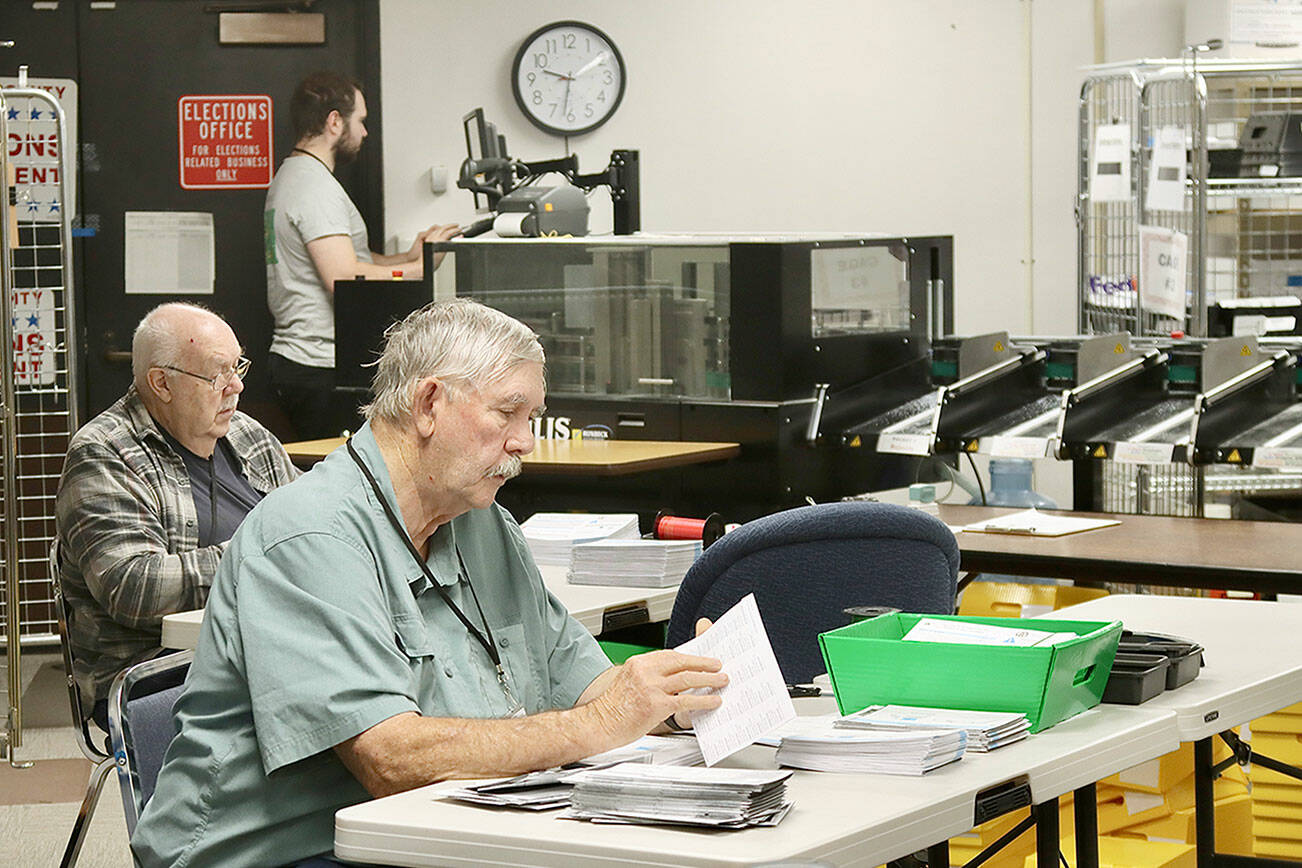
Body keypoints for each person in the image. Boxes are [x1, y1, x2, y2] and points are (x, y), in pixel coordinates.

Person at [131, 299, 725, 867]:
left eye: (531, 419)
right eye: (507, 413)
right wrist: (602, 722)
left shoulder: (485, 524)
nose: (524, 440)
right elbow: (390, 760)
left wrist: (674, 698)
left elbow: (588, 686)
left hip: (432, 834)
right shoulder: (311, 536)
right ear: (429, 404)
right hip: (282, 853)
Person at [54, 303, 299, 731]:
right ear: (161, 383)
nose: (236, 386)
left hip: (263, 649)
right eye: (217, 374)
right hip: (155, 672)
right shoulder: (103, 452)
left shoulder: (248, 434)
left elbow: (311, 521)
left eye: (238, 365)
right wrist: (261, 556)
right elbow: (134, 587)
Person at [264, 70, 461, 439]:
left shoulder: (298, 177)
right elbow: (344, 278)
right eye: (361, 121)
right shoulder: (313, 187)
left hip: (309, 364)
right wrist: (419, 273)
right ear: (335, 122)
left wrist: (407, 258)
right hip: (318, 367)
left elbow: (351, 258)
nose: (365, 132)